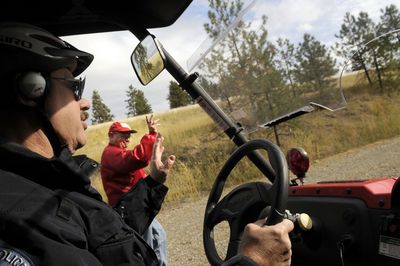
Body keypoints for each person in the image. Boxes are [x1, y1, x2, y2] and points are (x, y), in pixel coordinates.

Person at [0, 22, 294, 266]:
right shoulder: (25, 216)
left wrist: (153, 182)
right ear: (31, 90)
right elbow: (132, 162)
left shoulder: (50, 185)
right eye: (74, 86)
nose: (85, 102)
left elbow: (106, 233)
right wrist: (254, 260)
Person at [100, 118, 168, 265]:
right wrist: (150, 136)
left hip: (136, 205)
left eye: (129, 135)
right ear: (111, 135)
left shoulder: (117, 152)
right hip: (130, 209)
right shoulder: (110, 153)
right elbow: (137, 157)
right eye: (123, 134)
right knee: (146, 246)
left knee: (159, 236)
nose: (128, 138)